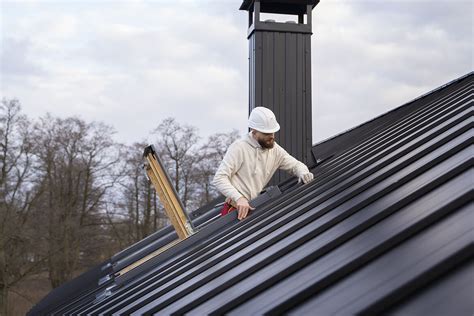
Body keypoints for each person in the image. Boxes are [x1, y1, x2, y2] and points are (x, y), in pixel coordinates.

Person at [212, 106, 314, 220]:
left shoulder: (275, 151)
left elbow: (295, 165)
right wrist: (239, 198)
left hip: (252, 209)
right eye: (266, 133)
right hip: (234, 211)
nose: (271, 137)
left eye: (272, 132)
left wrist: (303, 173)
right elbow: (219, 178)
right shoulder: (239, 147)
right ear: (254, 131)